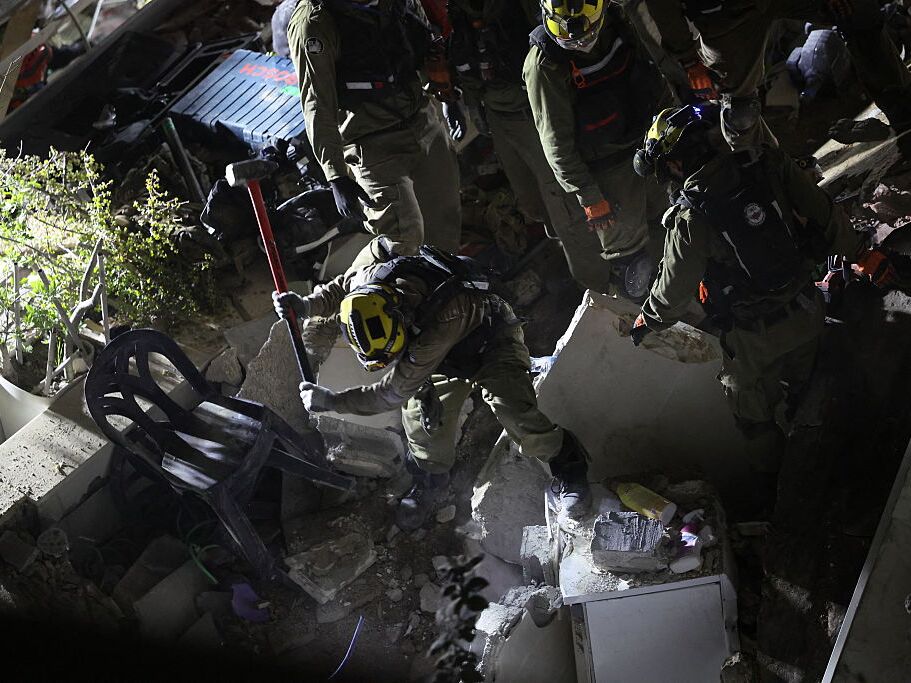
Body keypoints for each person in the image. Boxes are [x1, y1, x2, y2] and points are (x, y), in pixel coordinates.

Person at [629, 105, 895, 481]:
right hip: (808, 309)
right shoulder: (765, 164)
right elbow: (824, 212)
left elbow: (674, 289)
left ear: (673, 165)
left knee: (753, 419)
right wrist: (864, 255)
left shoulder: (690, 216)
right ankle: (845, 455)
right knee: (816, 389)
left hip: (755, 342)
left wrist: (648, 320)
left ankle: (777, 491)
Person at [272, 237, 592, 528]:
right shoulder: (368, 281)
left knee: (513, 411)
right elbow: (342, 286)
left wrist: (331, 401)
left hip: (491, 340)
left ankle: (568, 464)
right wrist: (306, 305)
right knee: (423, 427)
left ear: (402, 320)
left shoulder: (441, 320)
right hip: (441, 357)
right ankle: (431, 481)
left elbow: (390, 394)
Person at [445, 0, 614, 292]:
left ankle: (601, 289)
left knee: (565, 208)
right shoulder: (459, 9)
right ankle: (573, 257)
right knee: (535, 205)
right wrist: (472, 103)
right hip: (497, 112)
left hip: (532, 111)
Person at [524, 0, 673, 301]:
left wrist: (670, 137)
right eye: (568, 34)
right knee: (634, 269)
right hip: (607, 174)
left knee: (671, 228)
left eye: (586, 30)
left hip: (648, 147)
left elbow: (652, 78)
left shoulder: (617, 22)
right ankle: (642, 334)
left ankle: (688, 310)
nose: (579, 40)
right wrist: (590, 196)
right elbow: (557, 146)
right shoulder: (545, 64)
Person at [287, 0, 463, 255]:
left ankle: (446, 289)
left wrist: (447, 94)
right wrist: (335, 175)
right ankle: (354, 291)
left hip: (422, 121)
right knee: (401, 241)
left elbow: (422, 44)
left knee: (445, 227)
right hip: (372, 146)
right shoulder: (314, 22)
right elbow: (317, 103)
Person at [643, 0, 911, 152]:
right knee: (740, 110)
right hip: (725, 18)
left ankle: (903, 114)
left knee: (858, 11)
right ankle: (770, 185)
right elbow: (662, 8)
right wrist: (689, 60)